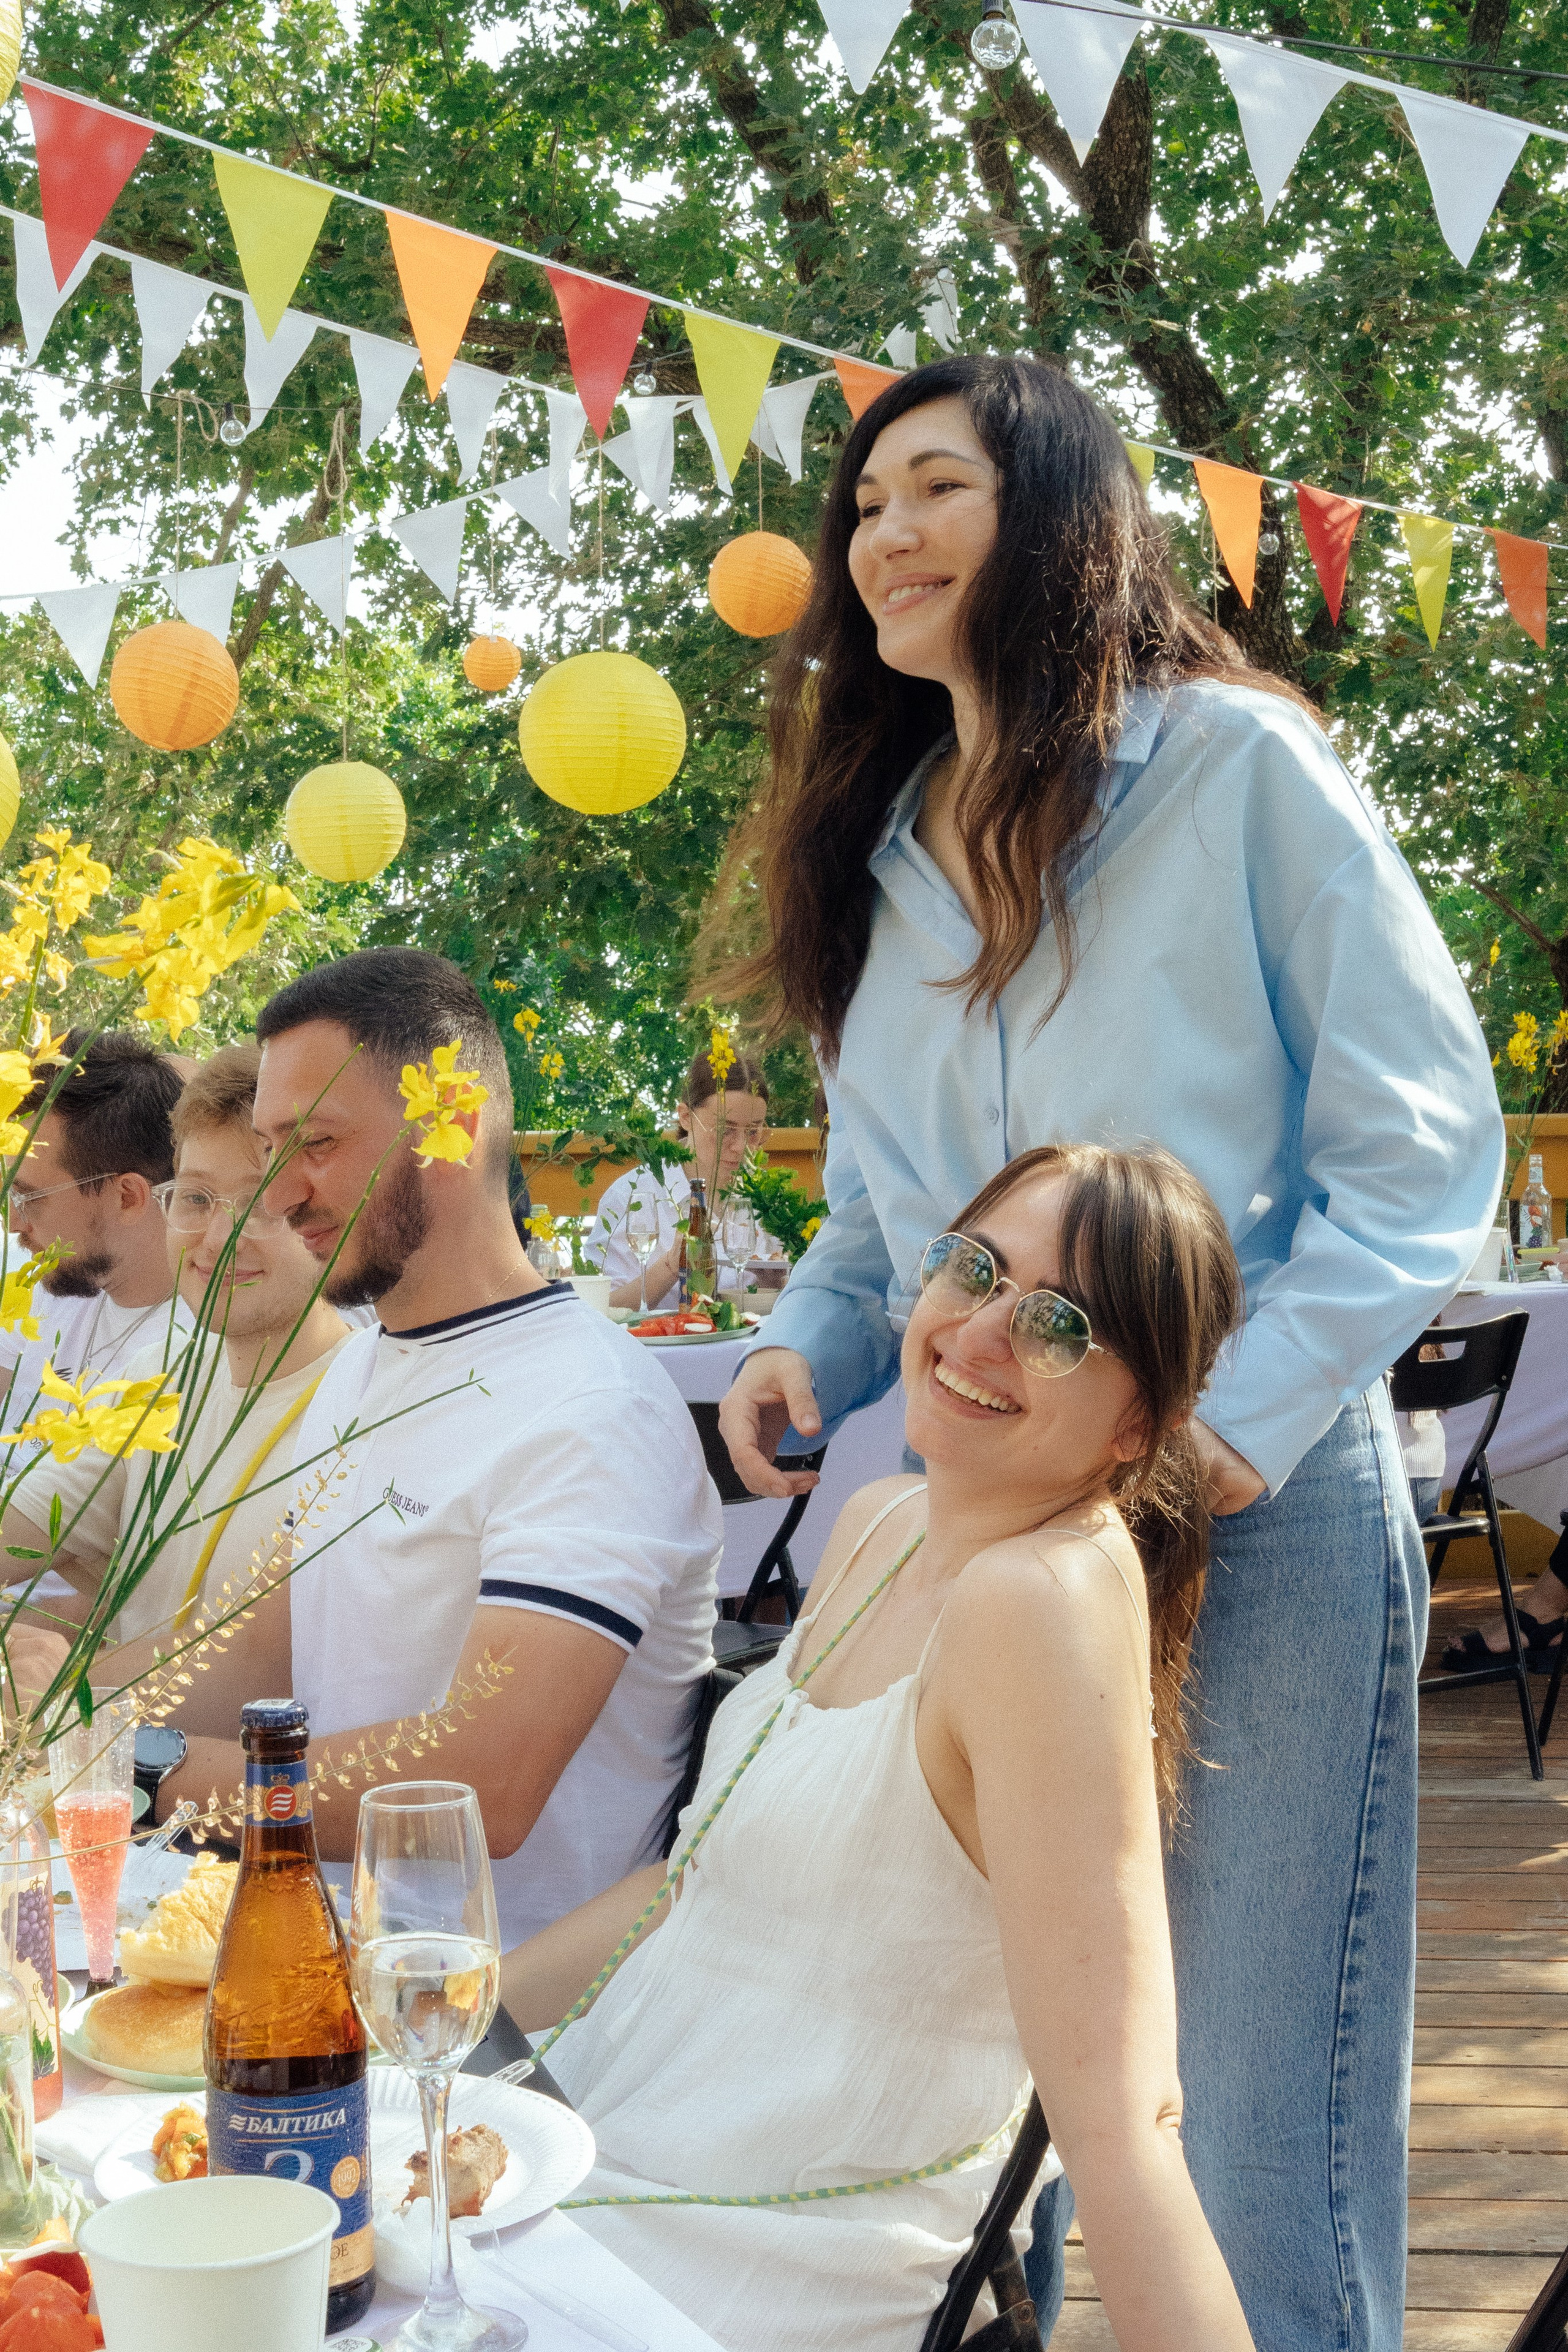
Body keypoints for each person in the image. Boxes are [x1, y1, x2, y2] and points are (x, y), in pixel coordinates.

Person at [712, 356, 1502, 2352]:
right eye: (863, 503)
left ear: (1062, 512)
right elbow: (890, 1218)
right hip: (991, 1524)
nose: (883, 534)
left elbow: (1423, 1154)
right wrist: (811, 1340)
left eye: (936, 487)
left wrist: (1224, 1431)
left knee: (1247, 2110)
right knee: (1034, 2075)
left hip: (1247, 1509)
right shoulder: (876, 850)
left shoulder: (1237, 772)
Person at [502, 1145, 1254, 2352]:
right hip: (600, 2159)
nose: (980, 1331)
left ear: (1140, 1425)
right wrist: (441, 2021)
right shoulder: (882, 1522)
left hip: (753, 2271)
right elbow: (692, 1884)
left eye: (1059, 1326)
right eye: (974, 1270)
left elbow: (1124, 2124)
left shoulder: (1037, 1604)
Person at [143, 949, 723, 1944]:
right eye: (270, 1148)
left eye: (315, 1143)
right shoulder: (363, 1366)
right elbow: (259, 1646)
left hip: (498, 2005)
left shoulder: (591, 1410)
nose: (277, 1193)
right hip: (325, 1948)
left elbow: (483, 1780)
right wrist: (59, 1717)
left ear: (452, 1118)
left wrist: (147, 1775)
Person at [2, 1044, 354, 1649]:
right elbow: (21, 1527)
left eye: (261, 1202)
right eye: (195, 1198)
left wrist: (53, 1686)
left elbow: (240, 1665)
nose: (218, 1239)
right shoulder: (164, 1373)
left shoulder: (362, 1407)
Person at [3, 1031, 192, 1416]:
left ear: (127, 1197)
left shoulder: (192, 1361)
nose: (13, 1224)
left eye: (29, 1197)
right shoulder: (50, 1287)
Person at [584, 1047, 771, 1311]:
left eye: (753, 1131)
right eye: (725, 1130)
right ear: (686, 1117)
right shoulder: (632, 1196)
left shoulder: (768, 1197)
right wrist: (672, 1265)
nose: (741, 1147)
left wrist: (779, 1281)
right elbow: (601, 1309)